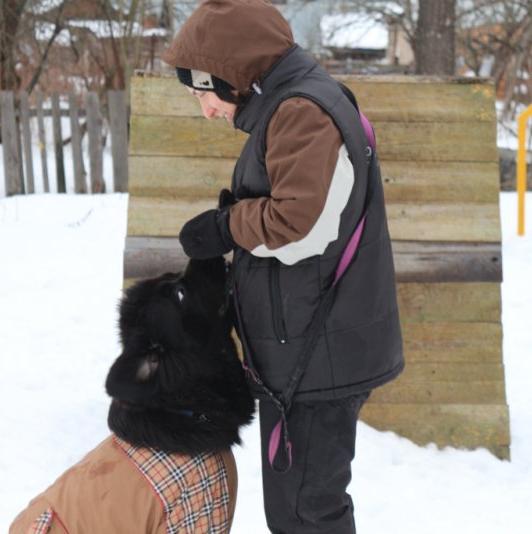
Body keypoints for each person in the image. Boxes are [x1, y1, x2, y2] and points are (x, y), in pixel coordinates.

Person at [162, 1, 404, 532]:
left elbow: (299, 224)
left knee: (305, 516)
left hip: (318, 356)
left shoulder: (301, 111)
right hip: (310, 350)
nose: (206, 110)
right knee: (301, 510)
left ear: (232, 75)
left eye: (203, 93)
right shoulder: (293, 106)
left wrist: (226, 227)